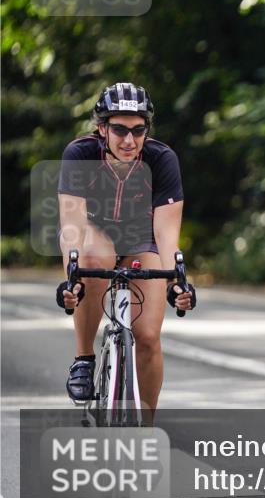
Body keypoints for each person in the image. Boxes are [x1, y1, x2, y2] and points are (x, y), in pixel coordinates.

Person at [56, 82, 195, 415]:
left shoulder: (162, 159)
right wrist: (71, 278)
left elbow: (165, 231)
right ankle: (84, 358)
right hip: (94, 232)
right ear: (102, 127)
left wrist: (176, 280)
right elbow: (72, 224)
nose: (129, 140)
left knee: (147, 337)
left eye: (138, 130)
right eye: (119, 130)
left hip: (140, 238)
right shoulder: (80, 154)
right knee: (94, 255)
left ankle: (145, 429)